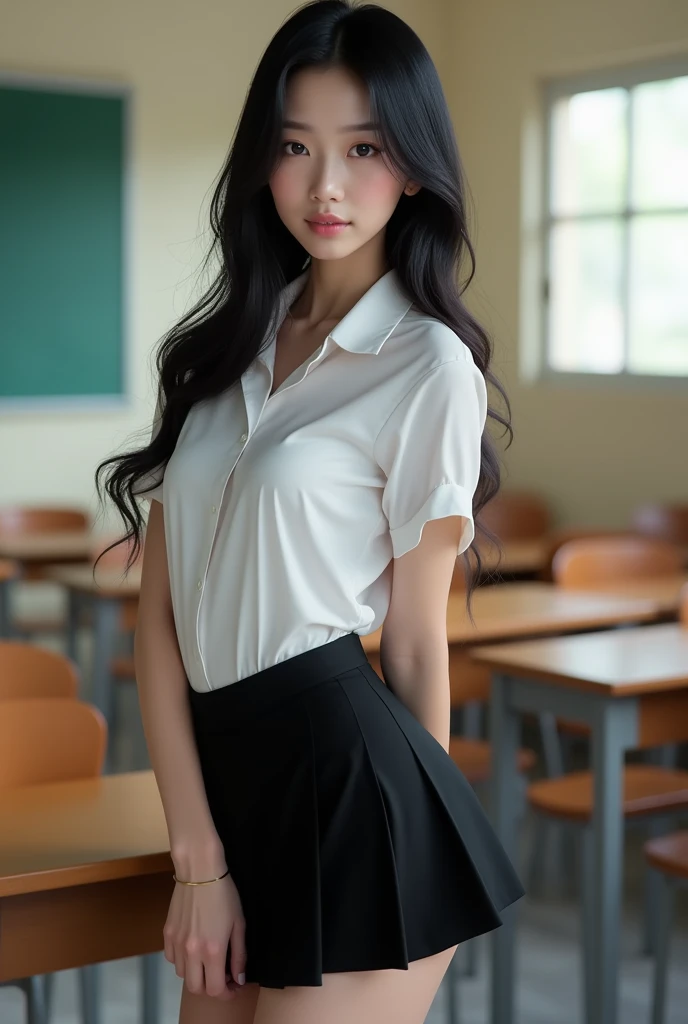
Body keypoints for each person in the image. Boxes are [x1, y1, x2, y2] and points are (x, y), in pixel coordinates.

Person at [96, 2, 523, 1021]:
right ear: (260, 160)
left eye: (364, 148)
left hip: (352, 786)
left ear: (413, 165)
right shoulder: (221, 349)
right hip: (229, 775)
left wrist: (414, 841)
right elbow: (160, 623)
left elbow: (415, 643)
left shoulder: (427, 365)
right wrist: (198, 857)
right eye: (294, 146)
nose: (325, 185)